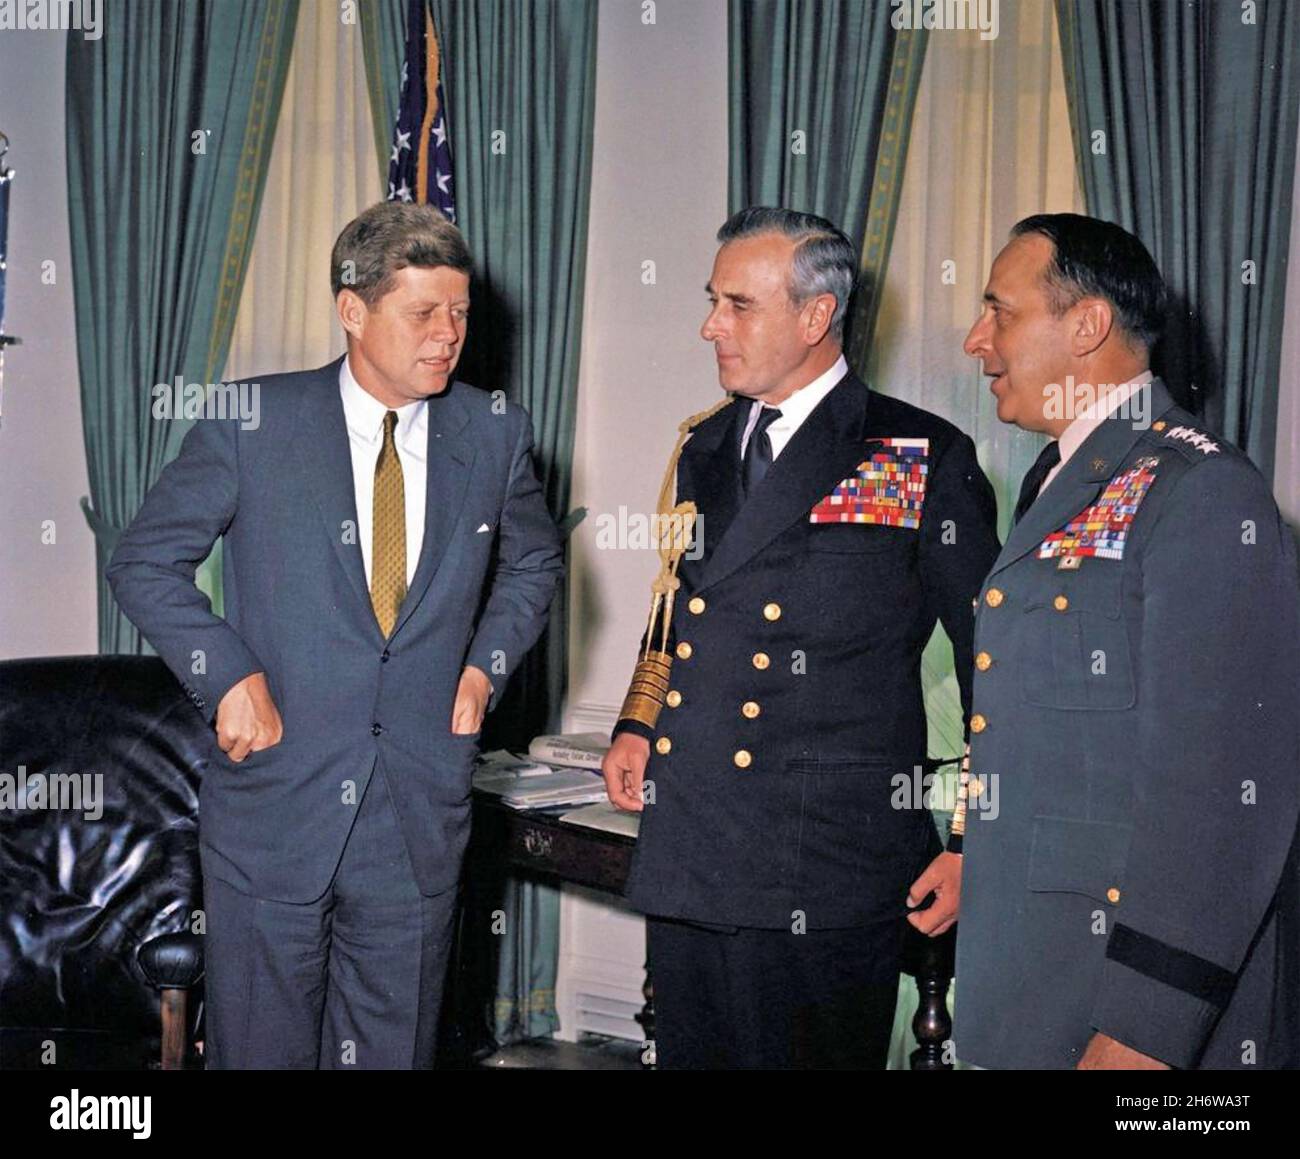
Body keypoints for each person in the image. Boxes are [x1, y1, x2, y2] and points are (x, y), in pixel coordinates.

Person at [107, 202, 563, 1068]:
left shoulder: (493, 431)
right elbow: (143, 563)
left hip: (418, 812)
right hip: (275, 806)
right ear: (353, 310)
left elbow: (535, 564)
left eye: (460, 312)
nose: (448, 335)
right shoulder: (252, 422)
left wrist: (482, 671)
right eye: (422, 313)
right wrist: (229, 674)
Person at [600, 206, 1001, 1069]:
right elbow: (677, 600)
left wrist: (975, 843)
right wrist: (638, 720)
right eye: (715, 300)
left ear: (816, 317)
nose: (711, 324)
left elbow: (994, 673)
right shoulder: (704, 444)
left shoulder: (918, 452)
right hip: (696, 838)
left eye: (738, 305)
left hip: (824, 857)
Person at [954, 212, 1300, 1069]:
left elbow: (1224, 789)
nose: (975, 339)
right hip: (1038, 969)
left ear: (1087, 324)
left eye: (999, 310)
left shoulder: (1202, 490)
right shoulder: (1063, 474)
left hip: (1124, 1004)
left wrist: (1148, 1026)